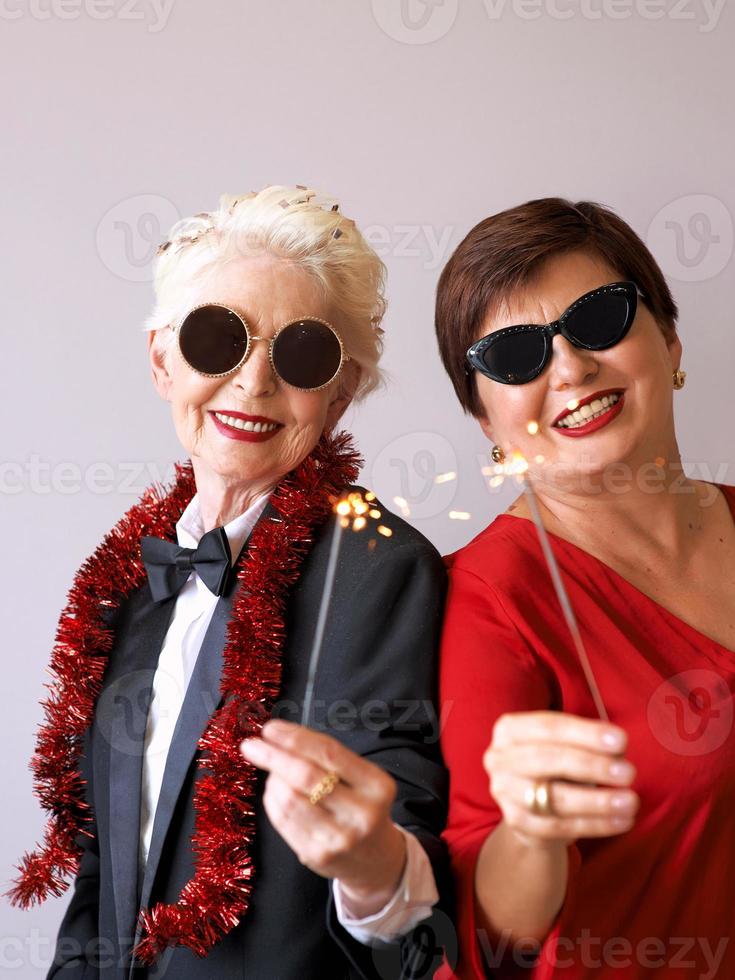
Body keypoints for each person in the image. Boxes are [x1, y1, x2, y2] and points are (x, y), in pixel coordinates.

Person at [11, 185, 450, 979]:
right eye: (220, 338)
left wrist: (371, 867)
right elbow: (102, 879)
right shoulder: (131, 579)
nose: (252, 384)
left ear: (340, 394)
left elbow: (408, 885)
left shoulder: (380, 572)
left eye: (300, 354)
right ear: (162, 361)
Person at [433, 197, 735, 978]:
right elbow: (489, 936)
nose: (568, 368)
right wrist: (532, 832)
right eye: (513, 356)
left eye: (598, 319)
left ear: (668, 337)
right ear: (484, 419)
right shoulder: (484, 599)